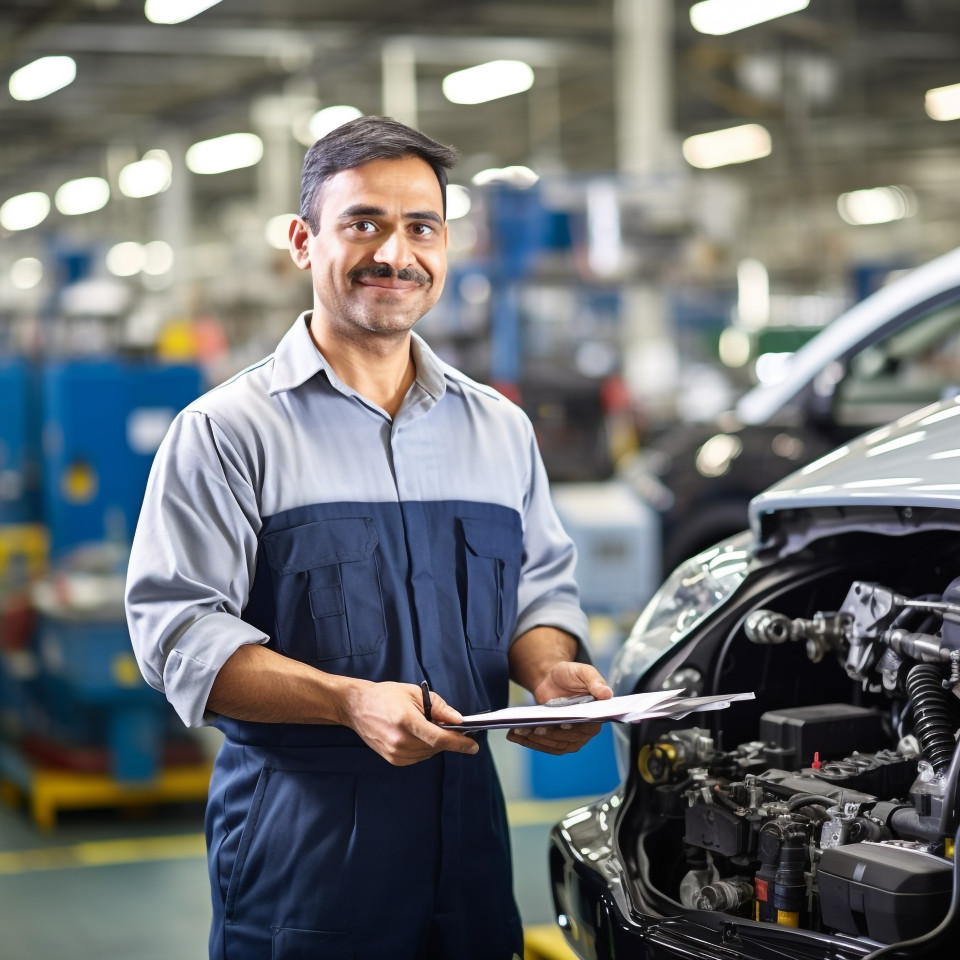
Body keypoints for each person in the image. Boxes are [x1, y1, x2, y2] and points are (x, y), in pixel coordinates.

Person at [125, 115, 613, 960]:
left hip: (469, 840)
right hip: (302, 850)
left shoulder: (499, 429)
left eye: (420, 226)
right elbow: (180, 636)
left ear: (445, 244)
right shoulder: (228, 432)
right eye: (363, 224)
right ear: (303, 241)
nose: (395, 253)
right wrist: (346, 701)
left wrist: (546, 669)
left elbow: (542, 589)